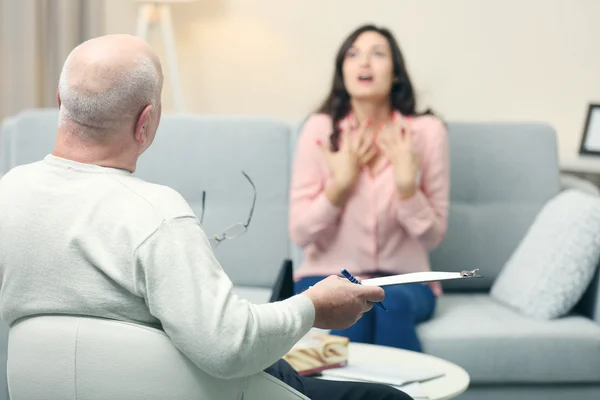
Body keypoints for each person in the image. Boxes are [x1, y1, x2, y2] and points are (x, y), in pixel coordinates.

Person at [0, 34, 412, 400]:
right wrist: (313, 307)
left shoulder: (8, 192)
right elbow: (230, 347)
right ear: (146, 121)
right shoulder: (154, 214)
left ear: (61, 103)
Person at [290, 24, 450, 352]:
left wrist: (408, 188)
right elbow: (301, 233)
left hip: (407, 282)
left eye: (378, 54)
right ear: (342, 72)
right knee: (352, 306)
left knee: (389, 303)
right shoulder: (320, 130)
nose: (365, 63)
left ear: (395, 74)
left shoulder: (427, 133)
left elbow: (432, 237)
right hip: (327, 276)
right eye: (353, 54)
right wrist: (340, 186)